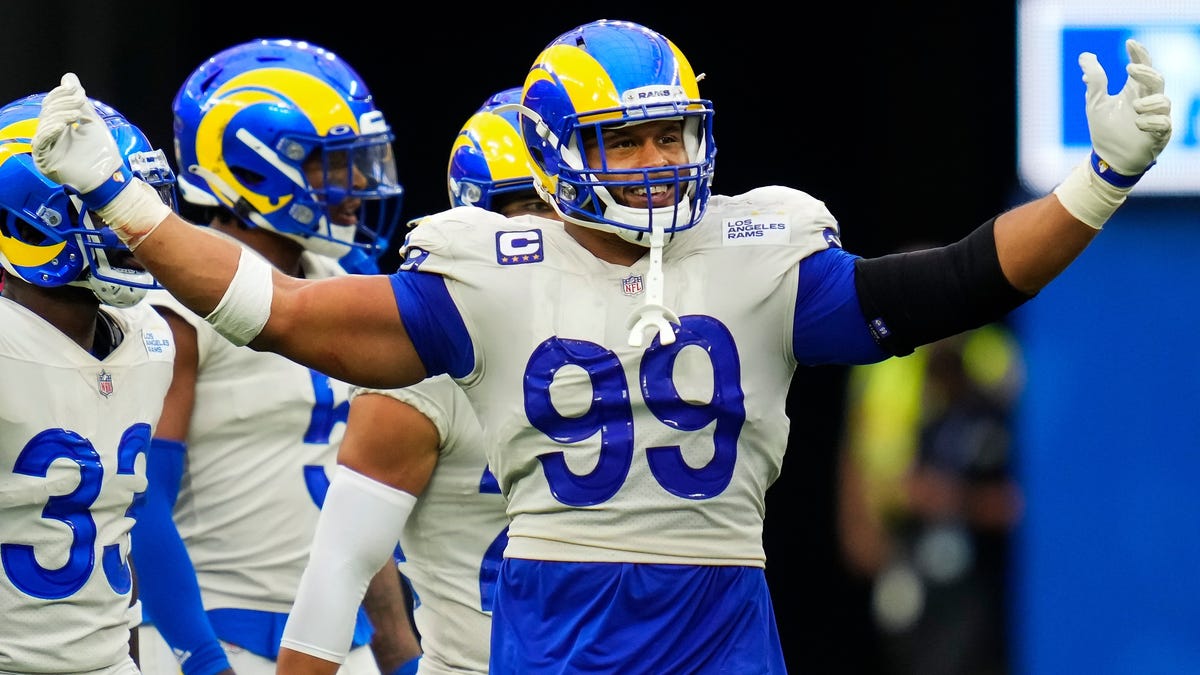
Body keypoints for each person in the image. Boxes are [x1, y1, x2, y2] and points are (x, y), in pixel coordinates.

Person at [30, 19, 1172, 674]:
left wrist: (1098, 181)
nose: (661, 161)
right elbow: (270, 313)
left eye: (675, 133)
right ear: (557, 150)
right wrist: (129, 209)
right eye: (628, 142)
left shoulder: (758, 249)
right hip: (558, 621)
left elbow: (952, 283)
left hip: (721, 615)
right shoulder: (485, 270)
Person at [124, 38, 416, 675]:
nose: (358, 185)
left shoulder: (343, 273)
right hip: (222, 630)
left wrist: (400, 650)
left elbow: (363, 495)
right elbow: (141, 501)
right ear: (247, 168)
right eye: (325, 164)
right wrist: (199, 658)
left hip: (344, 634)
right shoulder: (181, 305)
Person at [279, 86, 552, 675]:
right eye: (536, 205)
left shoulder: (651, 333)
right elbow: (342, 562)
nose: (560, 229)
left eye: (572, 205)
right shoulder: (430, 355)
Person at [0, 92, 177, 674]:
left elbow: (116, 531)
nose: (130, 225)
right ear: (31, 218)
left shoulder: (149, 338)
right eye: (103, 209)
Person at [838, 321, 1025, 675]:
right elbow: (888, 482)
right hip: (909, 549)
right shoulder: (885, 365)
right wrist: (856, 523)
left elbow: (1020, 481)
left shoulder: (995, 357)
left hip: (985, 565)